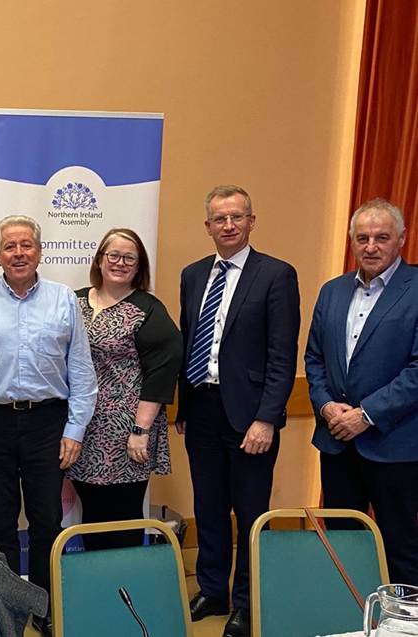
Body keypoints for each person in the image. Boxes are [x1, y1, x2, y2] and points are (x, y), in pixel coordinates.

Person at [0, 215, 97, 635]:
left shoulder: (63, 299)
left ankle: (44, 605)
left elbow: (81, 369)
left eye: (26, 245)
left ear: (39, 250)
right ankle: (6, 608)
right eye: (9, 246)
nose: (18, 253)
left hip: (47, 422)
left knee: (46, 521)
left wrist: (74, 430)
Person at [176, 185, 299, 637]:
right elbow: (190, 339)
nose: (228, 225)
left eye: (236, 217)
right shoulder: (193, 275)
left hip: (251, 416)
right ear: (207, 226)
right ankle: (213, 590)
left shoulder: (276, 275)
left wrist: (267, 418)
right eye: (219, 219)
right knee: (208, 507)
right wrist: (184, 405)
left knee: (249, 512)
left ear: (251, 221)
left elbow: (282, 355)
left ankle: (246, 602)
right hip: (202, 409)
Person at [305, 198, 418, 585]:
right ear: (352, 241)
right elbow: (314, 358)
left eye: (381, 238)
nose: (371, 246)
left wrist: (366, 415)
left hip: (395, 445)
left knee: (401, 547)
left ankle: (402, 616)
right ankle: (349, 612)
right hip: (337, 442)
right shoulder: (332, 291)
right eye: (362, 238)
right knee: (342, 545)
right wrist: (325, 406)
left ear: (401, 239)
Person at [68, 228, 183, 549]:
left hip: (128, 431)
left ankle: (125, 578)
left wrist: (140, 430)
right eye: (114, 255)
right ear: (99, 260)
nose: (120, 263)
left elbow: (163, 370)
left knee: (124, 517)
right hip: (82, 427)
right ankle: (96, 577)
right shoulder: (74, 300)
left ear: (139, 265)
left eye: (129, 258)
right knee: (92, 516)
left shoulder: (148, 309)